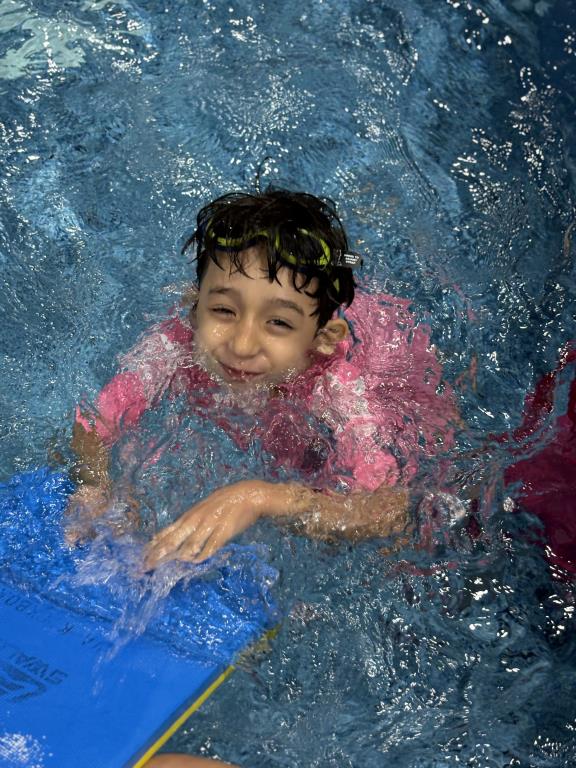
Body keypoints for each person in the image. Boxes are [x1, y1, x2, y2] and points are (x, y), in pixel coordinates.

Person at [67, 188, 458, 565]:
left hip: (395, 362)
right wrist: (96, 484)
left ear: (323, 339)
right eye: (223, 311)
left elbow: (387, 509)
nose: (242, 344)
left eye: (278, 323)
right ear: (194, 306)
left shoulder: (339, 388)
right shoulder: (175, 342)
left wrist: (261, 498)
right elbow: (94, 420)